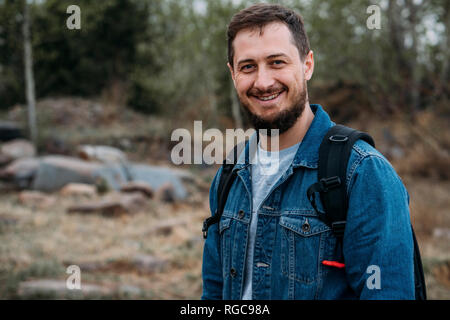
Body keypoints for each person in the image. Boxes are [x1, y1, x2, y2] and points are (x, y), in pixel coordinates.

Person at [202, 3, 415, 300]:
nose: (263, 82)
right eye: (248, 66)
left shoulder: (362, 172)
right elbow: (213, 294)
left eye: (277, 62)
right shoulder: (229, 174)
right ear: (233, 74)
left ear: (307, 65)